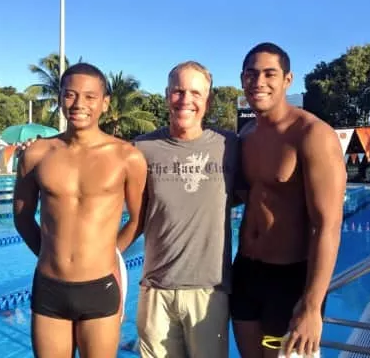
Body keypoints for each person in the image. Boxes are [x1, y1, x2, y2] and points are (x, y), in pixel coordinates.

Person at [13, 62, 147, 358]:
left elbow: (139, 220)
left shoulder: (127, 157)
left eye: (89, 97)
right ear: (60, 97)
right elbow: (22, 217)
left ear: (105, 102)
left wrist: (109, 254)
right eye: (70, 94)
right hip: (49, 286)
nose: (78, 104)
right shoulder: (36, 154)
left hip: (100, 286)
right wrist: (49, 254)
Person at [230, 43, 346, 358]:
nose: (259, 82)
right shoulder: (246, 136)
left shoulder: (312, 135)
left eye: (270, 74)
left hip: (290, 279)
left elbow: (328, 226)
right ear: (242, 79)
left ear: (287, 80)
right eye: (251, 74)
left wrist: (311, 305)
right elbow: (240, 197)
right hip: (246, 272)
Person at [117, 61, 240, 358]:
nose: (186, 100)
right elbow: (136, 215)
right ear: (166, 95)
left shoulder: (229, 145)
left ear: (208, 100)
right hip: (155, 289)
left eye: (196, 93)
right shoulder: (142, 148)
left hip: (208, 291)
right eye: (178, 91)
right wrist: (106, 257)